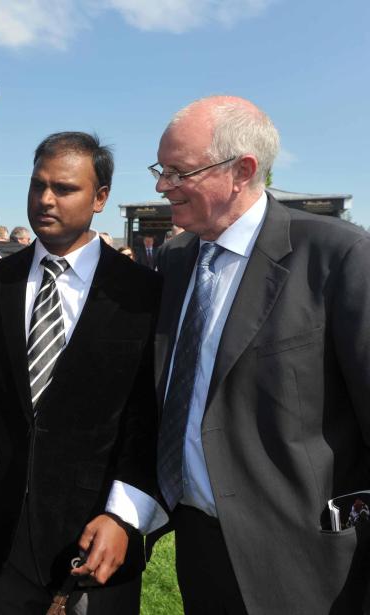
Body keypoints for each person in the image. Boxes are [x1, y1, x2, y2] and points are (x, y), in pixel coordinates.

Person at [0, 132, 163, 614]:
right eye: (37, 184)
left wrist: (124, 518)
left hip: (99, 539)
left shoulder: (143, 293)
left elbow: (149, 415)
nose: (45, 199)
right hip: (4, 541)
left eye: (63, 189)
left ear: (100, 198)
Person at [150, 95, 370, 614]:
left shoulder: (337, 255)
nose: (161, 186)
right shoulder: (177, 258)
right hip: (200, 545)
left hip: (305, 561)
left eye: (178, 172)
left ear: (241, 171)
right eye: (160, 169)